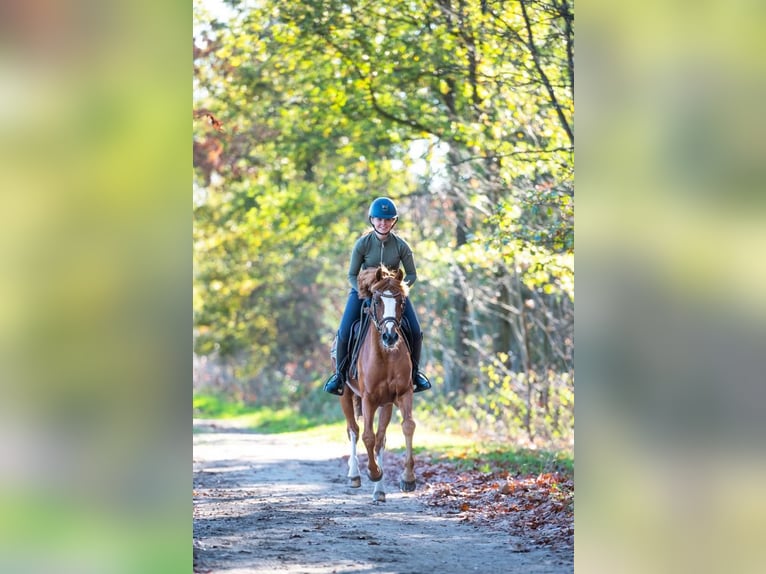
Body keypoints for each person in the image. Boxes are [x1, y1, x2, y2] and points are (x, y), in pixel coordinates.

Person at [323, 197, 432, 396]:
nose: (383, 223)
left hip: (393, 296)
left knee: (415, 331)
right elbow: (351, 274)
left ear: (394, 221)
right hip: (363, 292)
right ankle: (339, 376)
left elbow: (412, 274)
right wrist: (362, 292)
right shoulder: (362, 244)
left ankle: (415, 375)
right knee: (345, 331)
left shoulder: (401, 246)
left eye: (388, 219)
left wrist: (398, 291)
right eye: (379, 219)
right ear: (372, 220)